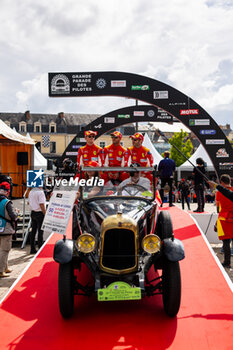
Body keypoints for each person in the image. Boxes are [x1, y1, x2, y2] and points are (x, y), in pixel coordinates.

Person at [214, 174, 233, 268]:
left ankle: (227, 262)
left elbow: (217, 204)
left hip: (224, 219)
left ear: (221, 182)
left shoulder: (219, 193)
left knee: (226, 243)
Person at [0, 182, 18, 277]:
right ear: (7, 192)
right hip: (5, 229)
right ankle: (1, 271)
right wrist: (16, 214)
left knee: (1, 249)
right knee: (5, 250)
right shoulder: (7, 202)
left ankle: (5, 267)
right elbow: (13, 216)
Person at [28, 186, 46, 254]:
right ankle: (40, 248)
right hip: (40, 213)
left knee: (33, 231)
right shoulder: (40, 192)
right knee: (40, 232)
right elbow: (41, 204)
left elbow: (28, 202)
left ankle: (32, 248)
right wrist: (45, 213)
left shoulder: (31, 191)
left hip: (33, 212)